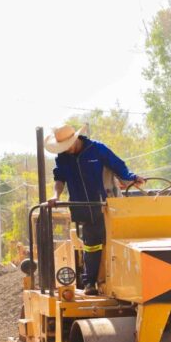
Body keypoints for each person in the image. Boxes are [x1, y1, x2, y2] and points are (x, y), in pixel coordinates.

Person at [45, 124, 145, 295]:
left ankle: (128, 282)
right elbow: (59, 179)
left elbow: (119, 167)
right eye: (62, 147)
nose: (66, 149)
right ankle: (90, 283)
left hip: (107, 206)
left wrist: (132, 178)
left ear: (75, 139)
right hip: (84, 209)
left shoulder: (97, 149)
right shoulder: (62, 158)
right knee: (91, 246)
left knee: (116, 244)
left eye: (67, 145)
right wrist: (56, 195)